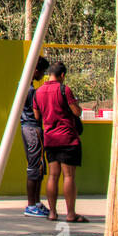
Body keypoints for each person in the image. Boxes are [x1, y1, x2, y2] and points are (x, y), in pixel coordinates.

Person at [34, 62, 88, 223]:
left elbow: (37, 116)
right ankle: (70, 213)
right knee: (69, 176)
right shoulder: (64, 90)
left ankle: (52, 212)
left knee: (52, 176)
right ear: (62, 75)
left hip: (50, 138)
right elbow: (76, 111)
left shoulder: (39, 92)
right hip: (67, 138)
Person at [21, 56, 51, 217]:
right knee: (35, 166)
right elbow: (37, 114)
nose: (42, 75)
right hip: (32, 128)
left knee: (38, 166)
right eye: (42, 71)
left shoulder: (25, 86)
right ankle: (32, 204)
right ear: (36, 70)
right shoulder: (31, 91)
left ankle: (36, 202)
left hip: (28, 128)